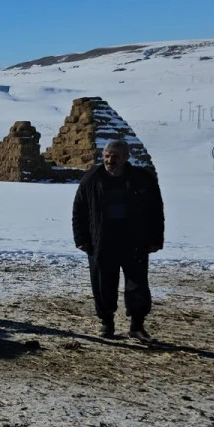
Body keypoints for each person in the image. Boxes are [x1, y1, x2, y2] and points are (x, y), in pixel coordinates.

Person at [72, 139, 164, 341]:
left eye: (114, 156)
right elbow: (79, 209)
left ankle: (137, 326)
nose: (109, 160)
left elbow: (156, 210)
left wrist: (156, 238)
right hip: (102, 240)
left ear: (125, 158)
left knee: (137, 284)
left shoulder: (142, 179)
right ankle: (107, 324)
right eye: (106, 155)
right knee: (103, 284)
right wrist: (81, 238)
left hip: (134, 240)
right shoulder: (92, 178)